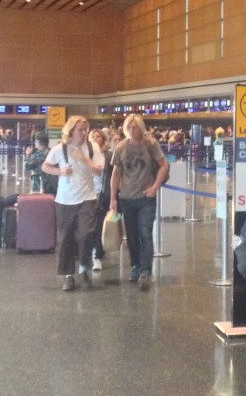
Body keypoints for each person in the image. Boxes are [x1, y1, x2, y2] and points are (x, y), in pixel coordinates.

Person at [41, 115, 103, 292]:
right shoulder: (60, 149)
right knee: (66, 237)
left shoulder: (92, 147)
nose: (84, 133)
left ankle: (84, 268)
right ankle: (69, 276)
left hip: (87, 198)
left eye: (86, 130)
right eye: (80, 130)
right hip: (65, 199)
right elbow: (45, 166)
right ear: (71, 131)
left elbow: (98, 171)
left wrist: (83, 158)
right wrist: (60, 171)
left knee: (85, 234)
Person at [109, 113, 169, 290]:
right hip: (127, 198)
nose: (131, 130)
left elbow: (163, 165)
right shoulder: (121, 147)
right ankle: (135, 265)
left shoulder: (151, 144)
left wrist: (154, 187)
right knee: (132, 236)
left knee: (145, 233)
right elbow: (116, 174)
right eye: (129, 127)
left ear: (141, 128)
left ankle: (145, 270)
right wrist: (113, 198)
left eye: (134, 127)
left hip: (145, 198)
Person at [88, 128, 112, 272]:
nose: (96, 139)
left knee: (98, 225)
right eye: (93, 136)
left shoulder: (107, 156)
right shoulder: (85, 154)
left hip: (102, 194)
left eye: (98, 137)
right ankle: (89, 251)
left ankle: (97, 254)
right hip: (86, 193)